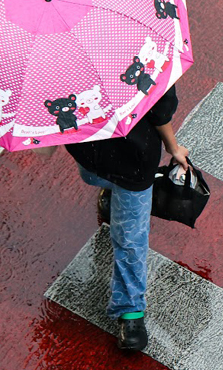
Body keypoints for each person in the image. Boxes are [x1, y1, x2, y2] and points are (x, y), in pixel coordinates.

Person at [62, 85, 190, 351]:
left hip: (99, 152)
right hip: (131, 154)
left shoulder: (54, 73)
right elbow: (161, 105)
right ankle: (114, 192)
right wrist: (173, 147)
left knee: (130, 237)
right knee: (130, 234)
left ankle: (130, 308)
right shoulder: (140, 59)